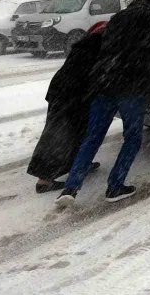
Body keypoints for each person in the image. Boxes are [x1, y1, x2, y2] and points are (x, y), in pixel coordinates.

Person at [55, 0, 150, 206]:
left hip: (103, 83)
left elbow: (106, 47)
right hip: (131, 87)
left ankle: (70, 188)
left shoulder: (117, 18)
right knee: (133, 138)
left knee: (92, 138)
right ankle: (115, 186)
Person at [27, 22, 107, 193]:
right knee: (58, 135)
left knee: (79, 130)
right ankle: (44, 180)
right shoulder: (100, 46)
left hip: (67, 90)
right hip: (69, 93)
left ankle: (80, 163)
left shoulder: (87, 43)